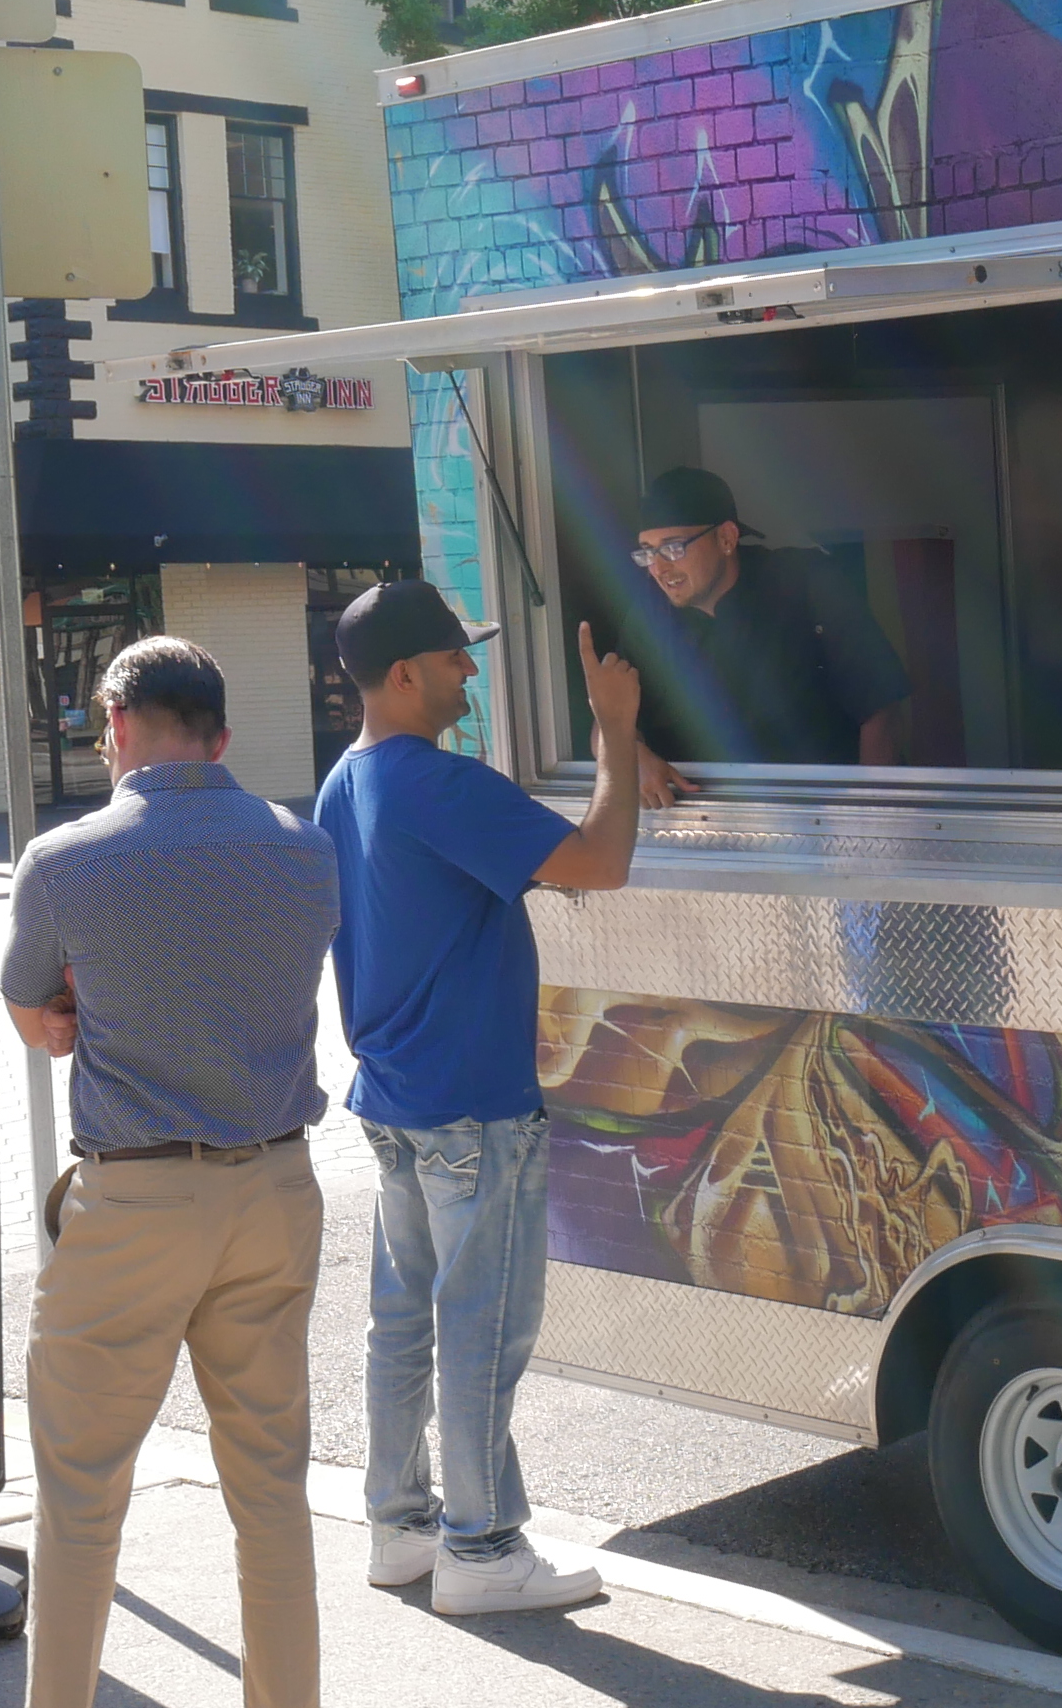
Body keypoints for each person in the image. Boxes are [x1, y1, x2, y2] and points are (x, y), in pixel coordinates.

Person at [0, 637, 342, 1708]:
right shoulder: (304, 848)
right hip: (276, 1185)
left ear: (117, 723)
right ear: (223, 734)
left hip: (133, 1200)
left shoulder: (66, 860)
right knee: (270, 1486)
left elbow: (36, 1010)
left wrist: (85, 1008)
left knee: (82, 1497)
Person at [311, 578, 646, 1614]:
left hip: (397, 1098)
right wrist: (615, 732)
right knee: (480, 1327)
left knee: (403, 1322)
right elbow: (603, 860)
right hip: (472, 1104)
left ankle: (399, 1528)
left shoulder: (345, 782)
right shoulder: (437, 784)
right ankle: (483, 1549)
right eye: (455, 657)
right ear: (403, 673)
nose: (469, 670)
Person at [622, 463, 913, 801]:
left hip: (821, 809)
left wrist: (870, 812)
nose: (659, 568)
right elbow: (606, 720)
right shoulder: (651, 615)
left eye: (673, 548)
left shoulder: (803, 582)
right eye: (648, 552)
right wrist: (628, 754)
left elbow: (881, 708)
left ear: (727, 538)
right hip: (704, 817)